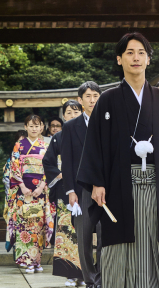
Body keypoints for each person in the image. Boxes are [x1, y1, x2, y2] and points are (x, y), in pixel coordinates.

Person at [77, 32, 159, 288]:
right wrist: (97, 182)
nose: (136, 58)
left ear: (148, 60)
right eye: (130, 53)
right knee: (118, 246)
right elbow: (95, 145)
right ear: (119, 59)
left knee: (153, 243)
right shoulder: (107, 100)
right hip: (117, 186)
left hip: (157, 185)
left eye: (141, 53)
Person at [64, 81, 103, 288]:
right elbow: (67, 161)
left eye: (96, 96)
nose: (92, 100)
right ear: (80, 101)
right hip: (81, 190)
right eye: (88, 96)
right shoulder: (71, 127)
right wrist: (70, 191)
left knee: (106, 235)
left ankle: (104, 275)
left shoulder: (110, 122)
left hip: (106, 189)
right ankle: (90, 279)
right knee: (84, 238)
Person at [7, 114, 55, 274]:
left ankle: (37, 261)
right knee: (25, 227)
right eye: (31, 126)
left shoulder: (46, 145)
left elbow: (50, 166)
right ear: (25, 127)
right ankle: (27, 261)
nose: (34, 129)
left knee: (39, 226)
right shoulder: (19, 145)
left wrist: (42, 186)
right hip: (23, 192)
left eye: (37, 126)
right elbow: (14, 166)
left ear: (42, 127)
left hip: (40, 192)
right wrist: (21, 186)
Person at [44, 100, 85, 287]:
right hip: (64, 189)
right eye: (69, 112)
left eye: (76, 112)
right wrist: (60, 174)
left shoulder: (89, 132)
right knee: (67, 232)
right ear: (63, 116)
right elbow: (48, 161)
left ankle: (87, 272)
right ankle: (70, 273)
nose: (72, 115)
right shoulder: (58, 137)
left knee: (85, 232)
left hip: (85, 187)